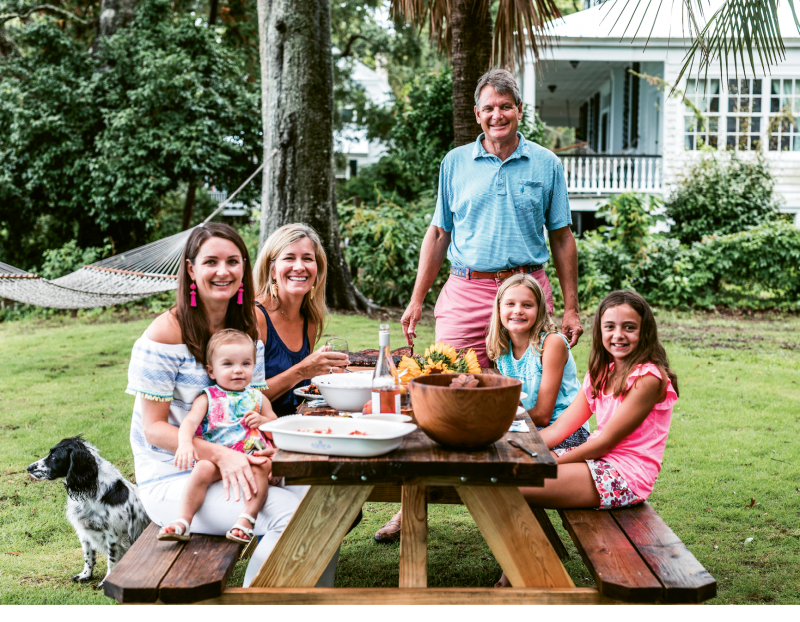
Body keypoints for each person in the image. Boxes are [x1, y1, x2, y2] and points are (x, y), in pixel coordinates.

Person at [382, 68, 583, 542]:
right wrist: (416, 300)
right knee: (438, 393)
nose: (497, 115)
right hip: (466, 290)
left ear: (519, 110)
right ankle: (416, 501)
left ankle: (521, 505)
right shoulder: (455, 162)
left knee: (526, 397)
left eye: (506, 106)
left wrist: (571, 307)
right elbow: (438, 233)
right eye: (488, 108)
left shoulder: (546, 163)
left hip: (524, 292)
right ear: (477, 114)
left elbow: (562, 237)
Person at [127, 223, 336, 587]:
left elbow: (250, 407)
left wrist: (264, 451)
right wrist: (221, 456)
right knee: (293, 516)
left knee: (327, 498)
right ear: (191, 270)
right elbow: (154, 430)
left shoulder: (245, 331)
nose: (223, 271)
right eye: (211, 262)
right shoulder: (164, 334)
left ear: (244, 267)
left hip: (239, 461)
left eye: (232, 261)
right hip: (177, 478)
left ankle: (311, 595)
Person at [496, 290, 679, 587]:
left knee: (511, 485)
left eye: (629, 327)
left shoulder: (649, 378)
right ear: (599, 331)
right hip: (598, 463)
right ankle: (518, 573)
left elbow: (605, 441)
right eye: (610, 327)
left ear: (645, 332)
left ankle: (527, 575)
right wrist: (513, 446)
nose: (618, 335)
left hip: (624, 476)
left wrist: (557, 460)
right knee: (507, 473)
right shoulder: (600, 372)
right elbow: (560, 429)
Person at [158, 329, 276, 545]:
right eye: (228, 364)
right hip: (217, 460)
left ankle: (247, 519)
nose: (238, 370)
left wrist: (264, 421)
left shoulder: (258, 398)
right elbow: (190, 422)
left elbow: (276, 428)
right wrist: (184, 443)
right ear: (211, 371)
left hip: (251, 457)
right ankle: (183, 521)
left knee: (263, 465)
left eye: (246, 364)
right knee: (202, 468)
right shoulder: (207, 397)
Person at [253, 224, 349, 416]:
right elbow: (241, 397)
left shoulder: (310, 321)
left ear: (317, 269)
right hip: (256, 435)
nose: (299, 267)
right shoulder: (255, 317)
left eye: (307, 259)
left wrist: (327, 376)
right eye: (289, 258)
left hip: (298, 424)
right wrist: (303, 370)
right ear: (272, 270)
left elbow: (301, 388)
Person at [487, 274, 589, 450]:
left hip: (565, 429)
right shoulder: (501, 347)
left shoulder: (552, 343)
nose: (518, 310)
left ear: (539, 310)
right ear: (499, 308)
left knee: (498, 447)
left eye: (527, 305)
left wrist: (497, 421)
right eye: (510, 304)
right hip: (526, 423)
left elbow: (543, 415)